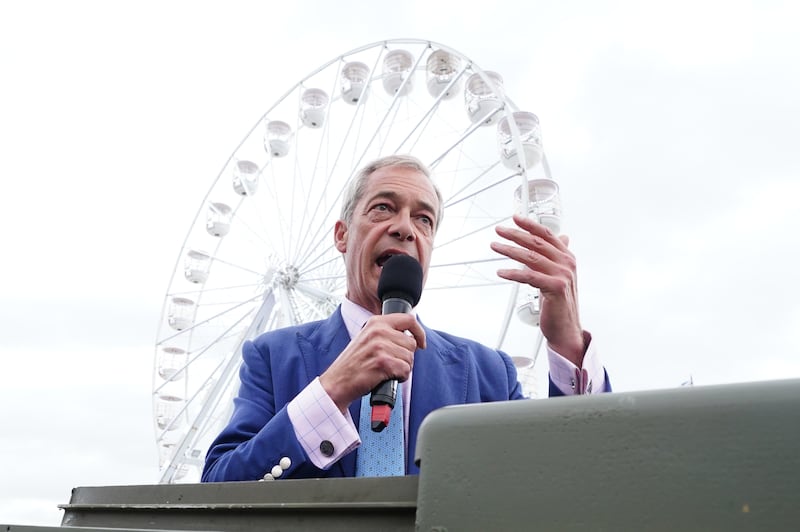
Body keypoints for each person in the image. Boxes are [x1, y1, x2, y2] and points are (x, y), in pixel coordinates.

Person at [201, 154, 610, 482]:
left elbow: (573, 481)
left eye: (424, 219)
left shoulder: (488, 374)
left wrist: (567, 343)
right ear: (342, 235)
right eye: (383, 208)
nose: (405, 228)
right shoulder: (273, 358)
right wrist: (331, 392)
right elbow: (221, 487)